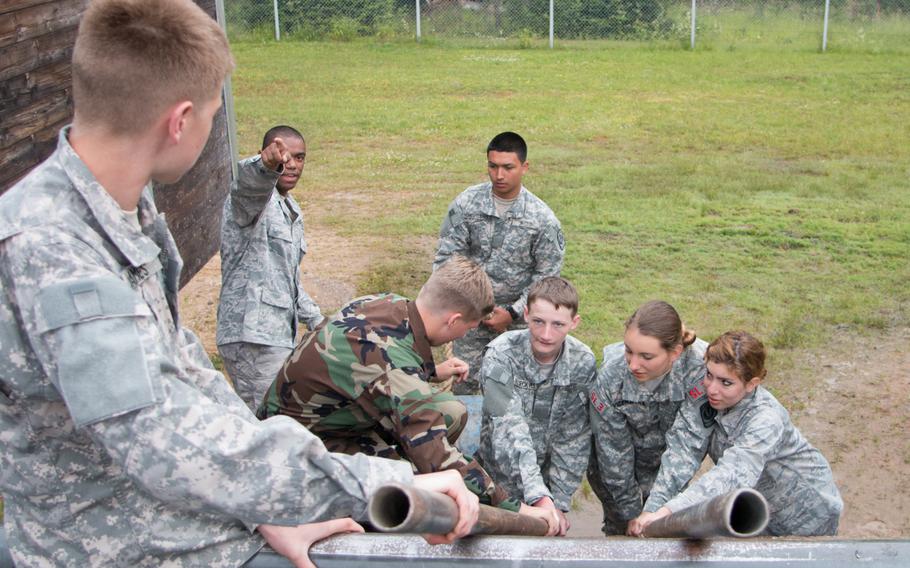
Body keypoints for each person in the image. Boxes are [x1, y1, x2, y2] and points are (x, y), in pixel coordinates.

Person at [0, 2, 478, 566]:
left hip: (193, 535)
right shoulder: (55, 252)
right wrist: (381, 482)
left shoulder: (126, 218)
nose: (212, 131)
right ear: (179, 121)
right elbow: (161, 441)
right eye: (212, 115)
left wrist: (266, 508)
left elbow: (192, 383)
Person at [258, 256, 560, 535]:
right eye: (466, 329)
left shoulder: (384, 303)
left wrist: (433, 371)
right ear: (453, 320)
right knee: (416, 479)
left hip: (324, 418)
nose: (463, 336)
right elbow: (439, 458)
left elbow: (374, 367)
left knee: (450, 411)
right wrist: (516, 508)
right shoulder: (392, 366)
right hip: (297, 449)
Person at [629, 331, 843, 537]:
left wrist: (669, 511)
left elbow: (732, 474)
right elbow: (683, 452)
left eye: (726, 382)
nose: (712, 389)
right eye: (709, 375)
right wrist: (653, 511)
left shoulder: (766, 419)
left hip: (806, 513)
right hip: (753, 512)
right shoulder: (707, 395)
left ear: (752, 384)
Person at [434, 131, 565, 395]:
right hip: (469, 318)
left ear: (524, 167)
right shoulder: (466, 205)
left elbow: (547, 279)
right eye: (493, 166)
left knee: (516, 391)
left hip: (517, 325)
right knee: (465, 388)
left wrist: (513, 312)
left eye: (508, 167)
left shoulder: (542, 219)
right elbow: (447, 259)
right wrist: (468, 305)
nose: (499, 175)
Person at [477, 276, 596, 536]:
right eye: (538, 321)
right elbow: (508, 428)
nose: (545, 334)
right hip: (497, 479)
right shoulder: (500, 355)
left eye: (558, 325)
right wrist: (539, 498)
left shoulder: (582, 362)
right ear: (526, 314)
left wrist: (559, 503)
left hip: (548, 480)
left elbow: (573, 437)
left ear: (574, 323)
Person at [217, 125, 323, 411]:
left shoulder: (290, 208)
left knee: (279, 420)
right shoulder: (250, 202)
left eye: (299, 158)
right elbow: (249, 186)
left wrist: (317, 320)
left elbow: (287, 279)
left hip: (276, 335)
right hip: (252, 335)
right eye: (284, 157)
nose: (292, 165)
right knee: (266, 421)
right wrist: (265, 166)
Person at [588, 300, 709, 535]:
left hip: (670, 466)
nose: (633, 364)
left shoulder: (700, 371)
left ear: (675, 352)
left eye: (646, 356)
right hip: (618, 476)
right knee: (621, 530)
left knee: (666, 531)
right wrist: (632, 514)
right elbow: (614, 456)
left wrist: (654, 510)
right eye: (628, 351)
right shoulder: (611, 377)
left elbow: (686, 447)